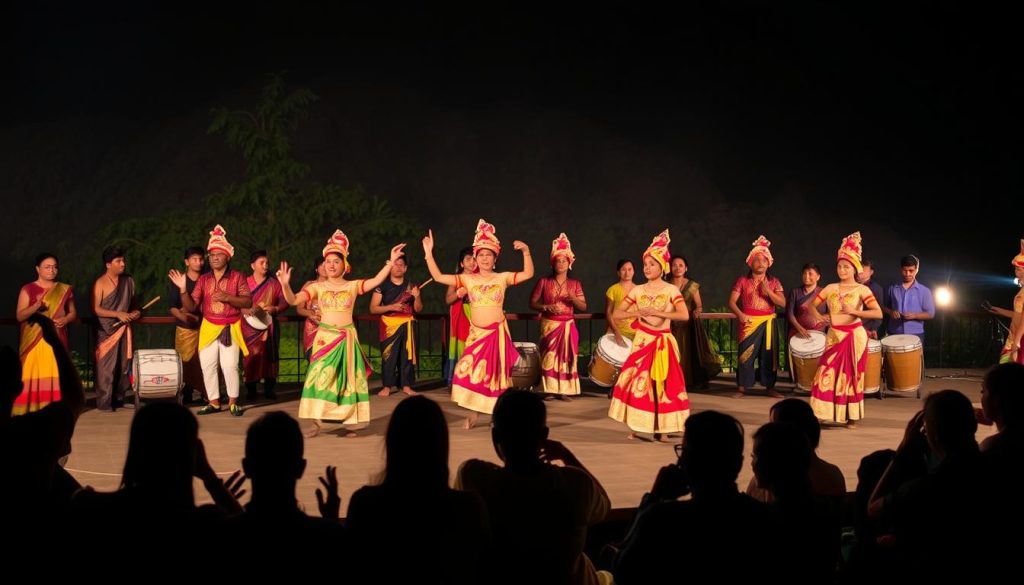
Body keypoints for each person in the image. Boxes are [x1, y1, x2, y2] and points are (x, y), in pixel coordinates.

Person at [456, 390, 610, 585]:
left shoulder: (475, 478)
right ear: (545, 435)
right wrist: (567, 456)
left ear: (495, 436)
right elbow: (604, 506)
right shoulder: (576, 485)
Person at [613, 411, 780, 584]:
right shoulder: (767, 518)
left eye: (684, 451)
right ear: (739, 463)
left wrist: (654, 497)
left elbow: (623, 570)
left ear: (685, 461)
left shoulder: (662, 519)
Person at [347, 396, 490, 584]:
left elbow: (351, 564)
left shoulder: (366, 503)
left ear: (392, 442)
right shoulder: (467, 506)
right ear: (441, 443)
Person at [277, 229, 406, 437]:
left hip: (345, 340)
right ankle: (316, 421)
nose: (331, 265)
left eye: (336, 261)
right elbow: (293, 301)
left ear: (345, 266)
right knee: (317, 378)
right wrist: (285, 285)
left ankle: (351, 424)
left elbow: (374, 281)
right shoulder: (318, 287)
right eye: (328, 261)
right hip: (324, 339)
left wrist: (390, 263)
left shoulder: (352, 286)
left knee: (347, 382)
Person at [422, 219, 534, 429]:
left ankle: (496, 416)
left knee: (497, 377)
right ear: (475, 258)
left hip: (497, 333)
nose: (484, 258)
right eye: (480, 255)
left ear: (494, 258)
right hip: (476, 335)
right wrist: (429, 253)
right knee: (469, 373)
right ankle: (474, 413)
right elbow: (437, 277)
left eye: (488, 255)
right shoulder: (467, 280)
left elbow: (528, 274)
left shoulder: (502, 278)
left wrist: (526, 251)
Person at [607, 229, 690, 441]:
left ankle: (662, 429)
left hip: (662, 342)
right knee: (638, 383)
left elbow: (684, 315)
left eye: (651, 264)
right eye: (645, 264)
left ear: (662, 267)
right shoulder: (637, 290)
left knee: (663, 384)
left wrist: (658, 312)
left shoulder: (671, 290)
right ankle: (637, 424)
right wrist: (637, 312)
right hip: (642, 342)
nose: (646, 268)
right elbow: (616, 313)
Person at [168, 225, 252, 416]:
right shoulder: (204, 280)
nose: (214, 258)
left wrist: (228, 298)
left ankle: (233, 402)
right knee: (208, 365)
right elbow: (192, 306)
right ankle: (214, 402)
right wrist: (182, 289)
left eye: (218, 254)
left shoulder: (238, 277)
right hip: (208, 326)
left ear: (227, 257)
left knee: (230, 365)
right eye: (211, 255)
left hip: (230, 326)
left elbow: (248, 300)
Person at [806, 232, 882, 426]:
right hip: (834, 336)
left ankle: (851, 416)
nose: (842, 270)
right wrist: (821, 318)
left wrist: (855, 312)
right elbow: (811, 306)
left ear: (855, 268)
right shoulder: (830, 288)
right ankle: (823, 412)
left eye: (846, 266)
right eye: (839, 266)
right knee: (825, 372)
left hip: (853, 336)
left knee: (850, 376)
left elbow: (878, 313)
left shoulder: (863, 290)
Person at [14, 253, 77, 415]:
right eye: (47, 267)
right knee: (32, 374)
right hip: (34, 342)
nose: (52, 270)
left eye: (55, 267)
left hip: (56, 338)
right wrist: (35, 306)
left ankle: (56, 409)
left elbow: (73, 314)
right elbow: (20, 316)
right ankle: (30, 408)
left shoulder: (64, 289)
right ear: (38, 269)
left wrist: (65, 319)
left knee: (57, 372)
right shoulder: (28, 289)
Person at [729, 235, 786, 398]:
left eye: (764, 260)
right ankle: (742, 387)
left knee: (769, 356)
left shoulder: (774, 282)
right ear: (750, 262)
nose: (761, 263)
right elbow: (732, 302)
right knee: (745, 355)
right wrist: (740, 315)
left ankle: (769, 387)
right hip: (748, 322)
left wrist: (768, 292)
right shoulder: (742, 280)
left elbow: (783, 303)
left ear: (769, 263)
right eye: (757, 260)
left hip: (768, 323)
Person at [530, 233, 586, 399]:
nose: (561, 264)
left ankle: (564, 390)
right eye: (558, 261)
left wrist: (574, 298)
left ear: (569, 263)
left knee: (566, 358)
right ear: (553, 263)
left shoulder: (575, 284)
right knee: (549, 356)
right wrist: (546, 306)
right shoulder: (544, 282)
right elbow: (532, 303)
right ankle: (549, 389)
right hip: (550, 325)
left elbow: (583, 306)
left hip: (568, 325)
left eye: (564, 261)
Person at [92, 246, 140, 412]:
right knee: (105, 367)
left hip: (124, 329)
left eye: (123, 260)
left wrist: (134, 312)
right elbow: (97, 309)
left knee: (123, 365)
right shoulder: (100, 282)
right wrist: (117, 314)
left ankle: (119, 399)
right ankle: (104, 402)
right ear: (108, 264)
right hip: (106, 330)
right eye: (118, 261)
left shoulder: (128, 281)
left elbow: (134, 305)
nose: (123, 264)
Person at [369, 254, 423, 397]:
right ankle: (387, 386)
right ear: (390, 267)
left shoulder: (412, 286)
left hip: (407, 324)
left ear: (405, 268)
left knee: (407, 357)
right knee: (388, 356)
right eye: (395, 264)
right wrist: (391, 307)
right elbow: (373, 308)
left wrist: (417, 296)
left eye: (401, 265)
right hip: (388, 325)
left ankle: (406, 386)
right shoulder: (382, 286)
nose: (398, 267)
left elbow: (418, 309)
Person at [241, 249, 288, 401]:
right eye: (261, 262)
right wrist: (246, 310)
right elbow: (237, 302)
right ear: (252, 266)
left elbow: (285, 301)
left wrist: (275, 308)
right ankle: (251, 390)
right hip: (249, 327)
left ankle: (269, 389)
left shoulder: (275, 283)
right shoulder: (244, 283)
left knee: (270, 356)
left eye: (267, 262)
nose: (265, 265)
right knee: (250, 356)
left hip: (269, 326)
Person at [668, 255, 720, 389]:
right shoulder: (666, 284)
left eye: (680, 265)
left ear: (686, 268)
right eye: (674, 265)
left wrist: (698, 311)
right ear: (670, 267)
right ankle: (670, 381)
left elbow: (699, 306)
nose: (677, 268)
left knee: (686, 355)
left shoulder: (692, 286)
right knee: (670, 354)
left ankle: (685, 382)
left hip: (687, 326)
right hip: (669, 326)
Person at [167, 246, 206, 404]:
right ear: (187, 262)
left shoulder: (207, 279)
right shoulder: (180, 280)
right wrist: (184, 317)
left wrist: (198, 317)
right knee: (185, 362)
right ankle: (186, 394)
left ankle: (207, 394)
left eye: (201, 259)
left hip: (205, 327)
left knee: (205, 362)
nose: (198, 262)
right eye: (194, 259)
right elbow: (173, 307)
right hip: (185, 329)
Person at [883, 254, 934, 345]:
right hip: (894, 333)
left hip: (916, 334)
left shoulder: (924, 291)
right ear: (900, 269)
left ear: (916, 270)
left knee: (914, 360)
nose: (907, 274)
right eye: (905, 270)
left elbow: (930, 314)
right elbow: (883, 307)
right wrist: (891, 312)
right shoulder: (892, 288)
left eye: (911, 271)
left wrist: (915, 315)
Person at [445, 247, 477, 385]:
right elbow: (448, 300)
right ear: (461, 263)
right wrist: (458, 294)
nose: (472, 262)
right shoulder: (456, 279)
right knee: (461, 348)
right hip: (460, 321)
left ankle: (475, 380)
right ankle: (458, 380)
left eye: (474, 259)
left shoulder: (481, 279)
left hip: (476, 319)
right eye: (468, 259)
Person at [295, 257, 327, 361]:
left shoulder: (336, 285)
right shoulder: (309, 285)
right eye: (322, 265)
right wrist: (310, 313)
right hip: (312, 329)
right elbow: (299, 308)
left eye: (327, 264)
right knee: (314, 364)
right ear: (316, 269)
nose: (325, 267)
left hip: (331, 329)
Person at [997, 240, 1024, 364]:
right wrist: (997, 310)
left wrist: (1017, 341)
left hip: (1020, 339)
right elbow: (1017, 315)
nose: (1016, 272)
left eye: (1018, 269)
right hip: (1013, 338)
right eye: (1016, 269)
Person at [786, 263, 827, 340]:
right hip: (798, 333)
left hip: (819, 335)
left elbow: (830, 313)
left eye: (810, 274)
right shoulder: (795, 292)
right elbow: (790, 314)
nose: (806, 276)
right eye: (804, 273)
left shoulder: (824, 292)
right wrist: (799, 328)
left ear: (818, 277)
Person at [604, 259, 636, 347]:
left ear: (633, 271)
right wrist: (616, 332)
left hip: (636, 334)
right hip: (617, 332)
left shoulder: (640, 290)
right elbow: (608, 313)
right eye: (623, 270)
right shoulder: (613, 290)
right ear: (618, 273)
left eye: (630, 269)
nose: (627, 272)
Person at [857, 259, 885, 339]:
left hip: (867, 329)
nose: (860, 272)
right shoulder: (852, 286)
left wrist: (874, 329)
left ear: (871, 272)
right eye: (859, 269)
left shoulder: (876, 288)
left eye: (863, 270)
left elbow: (879, 313)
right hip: (852, 327)